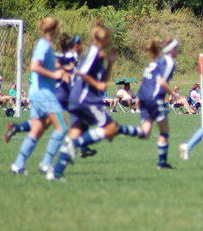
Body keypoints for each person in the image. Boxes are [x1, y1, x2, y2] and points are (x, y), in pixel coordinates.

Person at [50, 25, 144, 180]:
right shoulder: (94, 52)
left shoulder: (99, 54)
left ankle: (56, 172)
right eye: (109, 37)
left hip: (79, 99)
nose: (110, 40)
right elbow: (81, 73)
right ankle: (75, 145)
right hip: (85, 99)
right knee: (110, 128)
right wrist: (97, 85)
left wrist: (110, 63)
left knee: (75, 133)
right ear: (102, 38)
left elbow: (103, 83)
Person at [9, 17, 66, 175]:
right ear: (53, 30)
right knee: (62, 128)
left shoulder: (47, 45)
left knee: (36, 130)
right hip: (44, 95)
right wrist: (54, 75)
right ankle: (46, 165)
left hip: (38, 94)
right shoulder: (43, 45)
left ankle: (18, 166)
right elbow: (34, 66)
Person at [136, 38, 182, 169]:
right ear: (171, 50)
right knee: (164, 130)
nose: (177, 51)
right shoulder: (169, 62)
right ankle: (162, 163)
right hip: (154, 98)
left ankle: (119, 130)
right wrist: (173, 94)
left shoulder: (156, 61)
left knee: (145, 133)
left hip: (143, 96)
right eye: (176, 48)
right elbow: (161, 82)